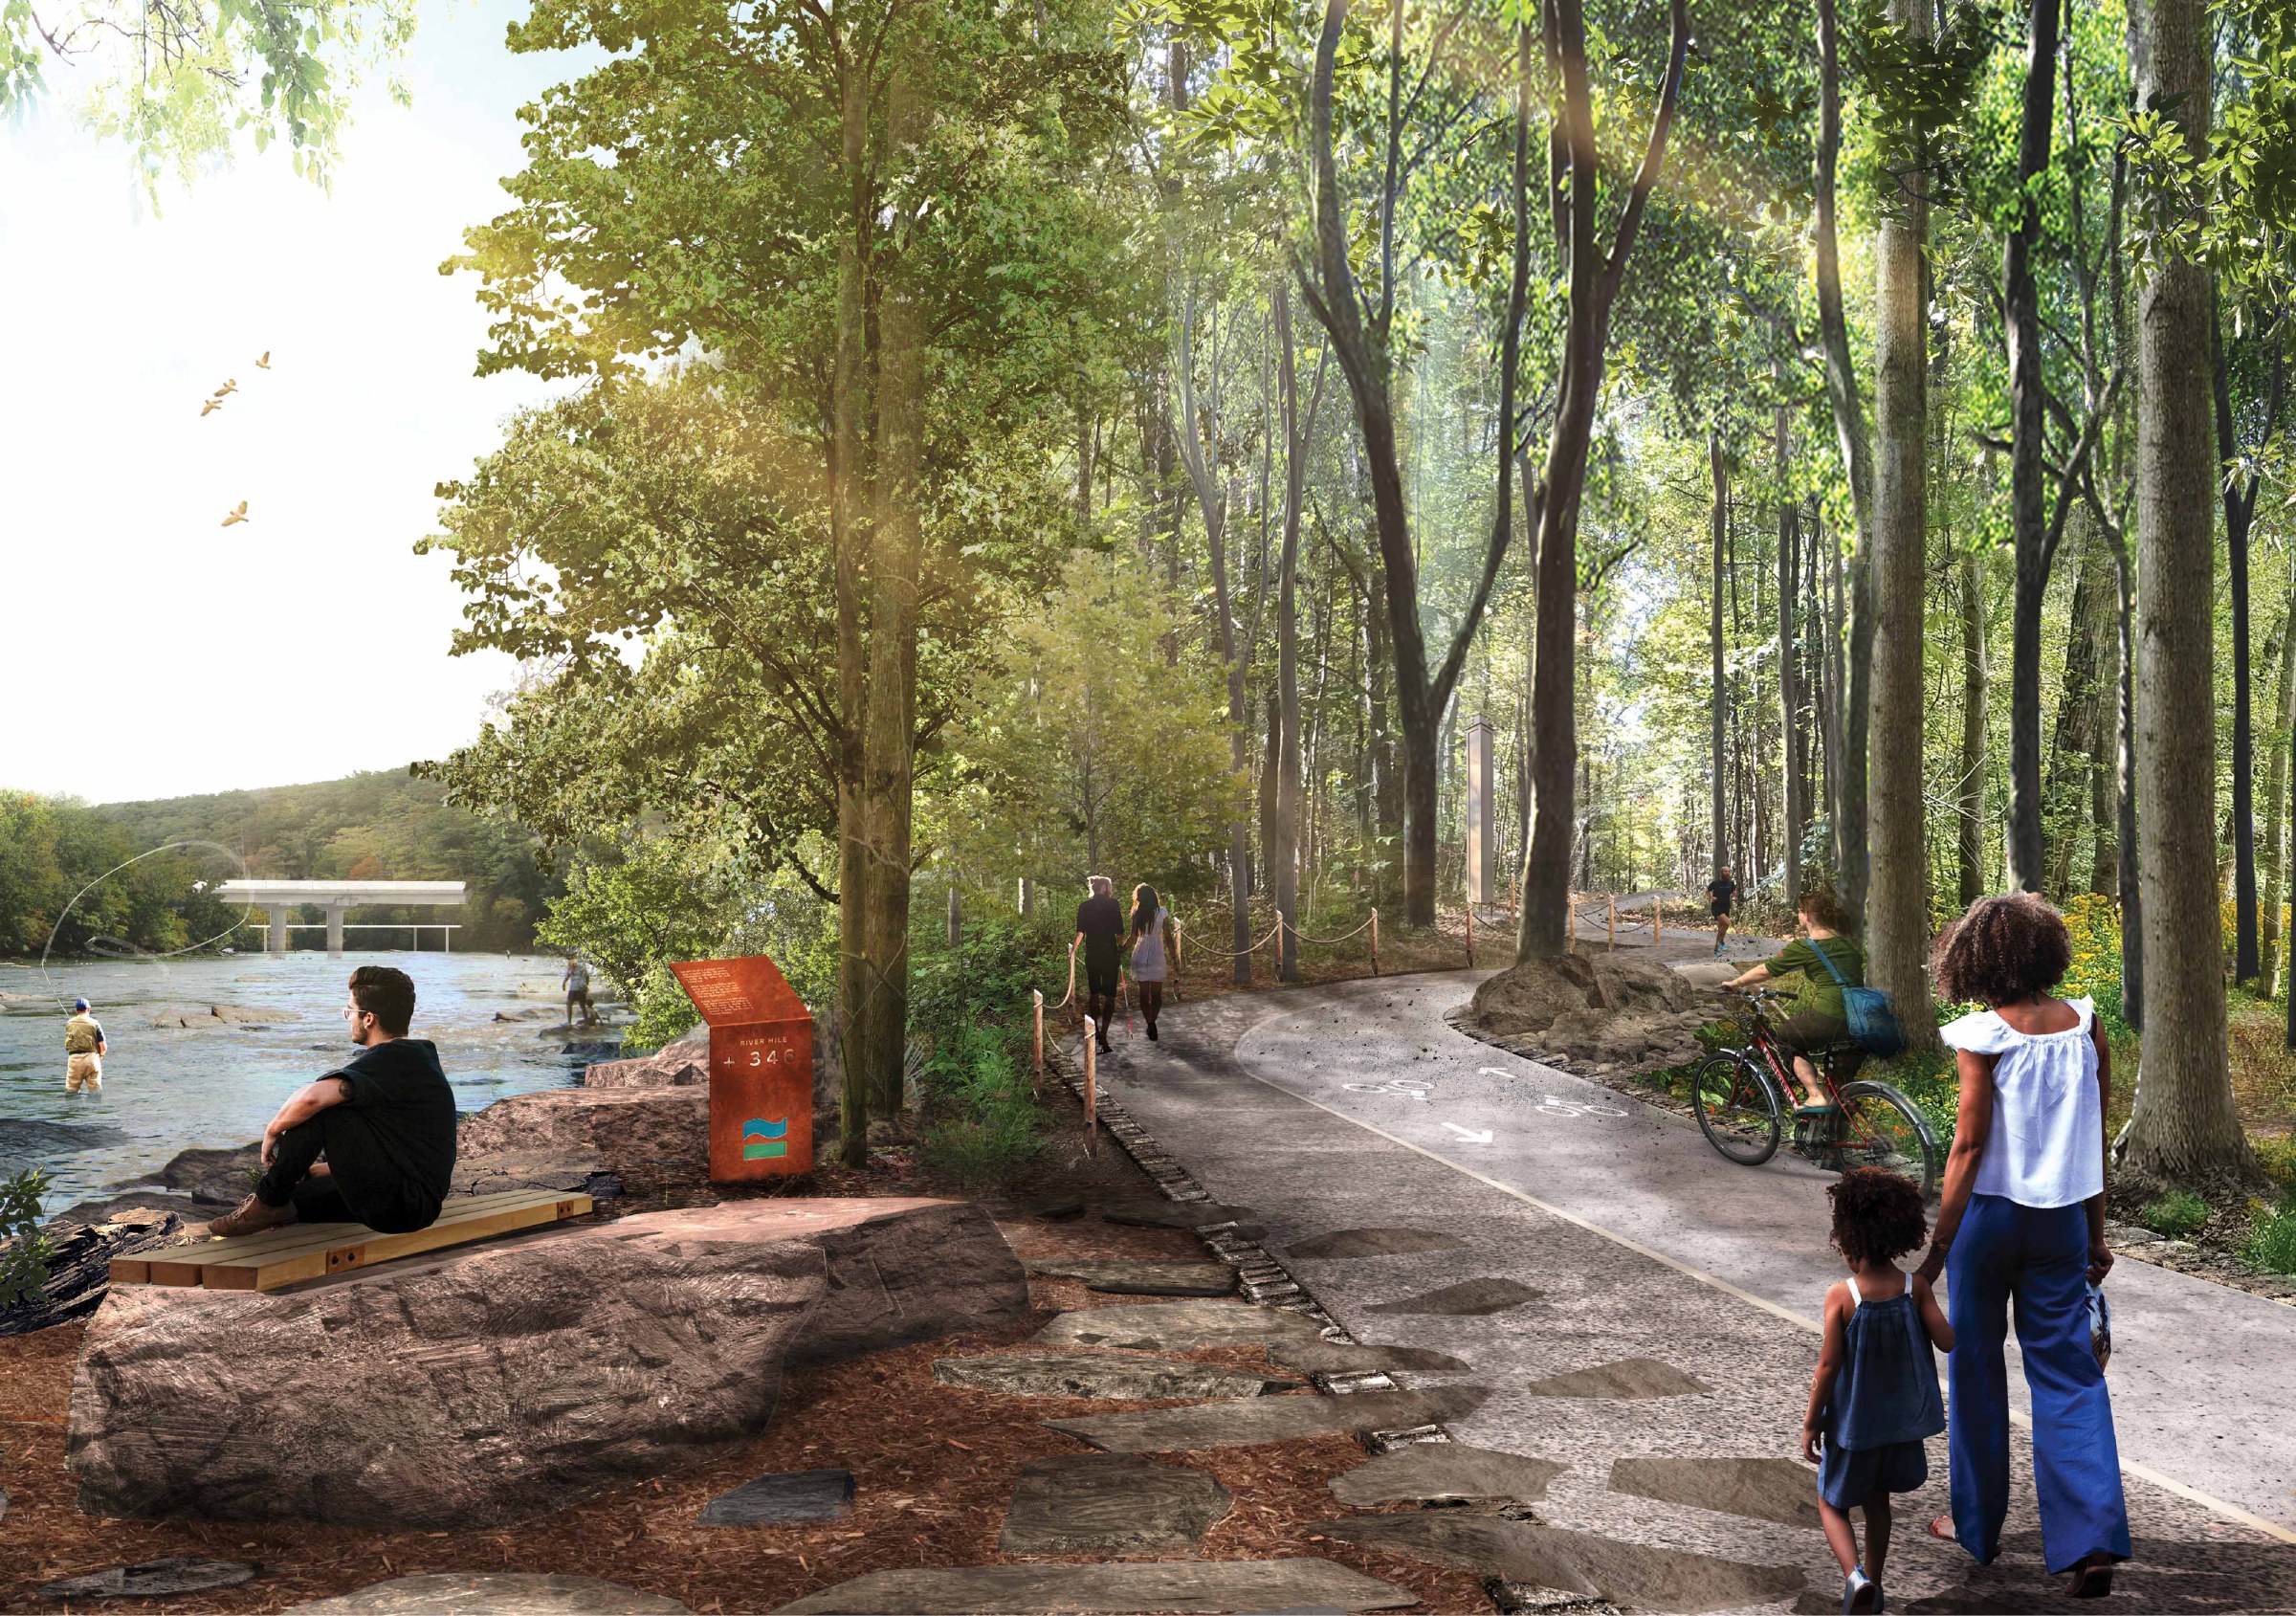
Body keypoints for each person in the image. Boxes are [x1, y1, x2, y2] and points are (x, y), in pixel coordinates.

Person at [1919, 893, 2129, 1599]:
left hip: (1990, 1220)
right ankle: (2090, 1539)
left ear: (1975, 959)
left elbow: (1969, 1146)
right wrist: (2096, 1232)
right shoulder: (2086, 1025)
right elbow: (2093, 1141)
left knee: (1977, 1369)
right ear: (2045, 952)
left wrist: (1938, 1250)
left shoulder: (1983, 1034)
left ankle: (1976, 1525)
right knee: (2070, 1374)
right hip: (2063, 1219)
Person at [204, 964, 457, 1238]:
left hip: (401, 1207)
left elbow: (312, 1098)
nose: (348, 1017)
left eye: (350, 1010)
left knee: (328, 1109)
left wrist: (272, 1131)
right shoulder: (415, 1057)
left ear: (369, 1019)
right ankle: (276, 1205)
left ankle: (266, 1202)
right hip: (414, 1201)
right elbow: (400, 1141)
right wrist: (326, 1169)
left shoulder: (389, 1059)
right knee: (297, 1197)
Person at [1800, 1167, 1954, 1615]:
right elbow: (1948, 1341)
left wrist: (1812, 1422)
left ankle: (1855, 1577)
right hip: (1899, 1426)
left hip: (1853, 1427)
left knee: (1831, 1502)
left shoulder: (1842, 1297)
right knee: (1878, 1505)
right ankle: (1875, 1582)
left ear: (1847, 1239)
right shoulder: (1916, 1288)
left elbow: (1827, 1367)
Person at [1722, 888, 1864, 1113]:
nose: (1798, 915)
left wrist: (1735, 983)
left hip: (1830, 1016)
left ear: (1807, 915)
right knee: (1839, 1093)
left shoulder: (1807, 946)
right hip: (1861, 1020)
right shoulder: (1847, 945)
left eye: (1799, 911)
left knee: (1786, 1038)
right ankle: (1831, 1140)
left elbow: (1765, 971)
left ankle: (1814, 1095)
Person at [1073, 875, 1123, 1054]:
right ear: (1104, 887)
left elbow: (1080, 933)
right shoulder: (1113, 904)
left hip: (1092, 954)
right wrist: (1121, 948)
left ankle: (1094, 1030)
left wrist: (1073, 951)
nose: (1110, 889)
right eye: (1109, 886)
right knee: (1110, 996)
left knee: (1094, 994)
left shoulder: (1084, 907)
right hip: (1110, 954)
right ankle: (1104, 1033)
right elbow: (1119, 931)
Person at [1126, 883, 1177, 1042]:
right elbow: (1168, 937)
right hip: (1157, 954)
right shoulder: (1162, 913)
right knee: (1156, 994)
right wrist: (1174, 957)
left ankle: (1149, 1021)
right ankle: (1152, 1021)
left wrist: (1120, 950)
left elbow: (1133, 937)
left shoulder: (1137, 912)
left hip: (1141, 952)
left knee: (1143, 993)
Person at [63, 997, 106, 1095]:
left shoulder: (69, 1023)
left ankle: (73, 1109)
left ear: (76, 1010)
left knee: (71, 1093)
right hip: (92, 1060)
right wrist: (100, 1056)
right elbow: (103, 1047)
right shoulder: (95, 1024)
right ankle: (95, 1109)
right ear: (88, 1009)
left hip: (74, 1060)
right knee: (95, 1093)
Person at [1707, 866, 1737, 955]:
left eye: (1728, 871)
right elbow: (1707, 892)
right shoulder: (1715, 883)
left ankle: (1716, 949)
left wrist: (1734, 894)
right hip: (1717, 907)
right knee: (1727, 923)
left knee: (1720, 928)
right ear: (1721, 873)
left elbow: (1733, 892)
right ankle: (1721, 942)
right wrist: (1711, 897)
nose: (1727, 873)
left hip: (1726, 907)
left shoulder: (1731, 883)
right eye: (1725, 871)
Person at [562, 953, 597, 1027]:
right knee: (582, 1006)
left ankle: (569, 1022)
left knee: (569, 1004)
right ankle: (586, 1023)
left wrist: (564, 983)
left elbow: (569, 974)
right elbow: (587, 976)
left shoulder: (571, 964)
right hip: (582, 987)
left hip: (574, 988)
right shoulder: (582, 967)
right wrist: (586, 985)